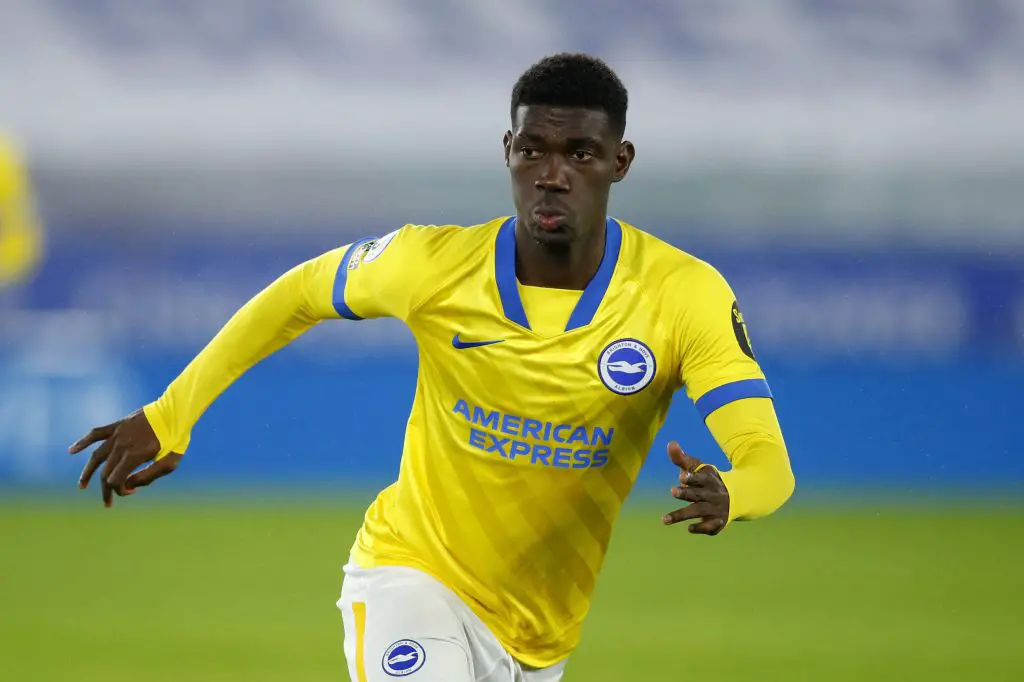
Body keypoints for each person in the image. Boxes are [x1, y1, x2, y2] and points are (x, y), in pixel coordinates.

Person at [69, 53, 795, 682]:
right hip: (411, 577)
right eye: (533, 150)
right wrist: (171, 414)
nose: (552, 175)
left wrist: (734, 490)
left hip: (541, 636)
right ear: (506, 150)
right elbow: (297, 295)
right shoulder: (433, 264)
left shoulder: (682, 294)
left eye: (579, 153)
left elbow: (769, 462)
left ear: (620, 162)